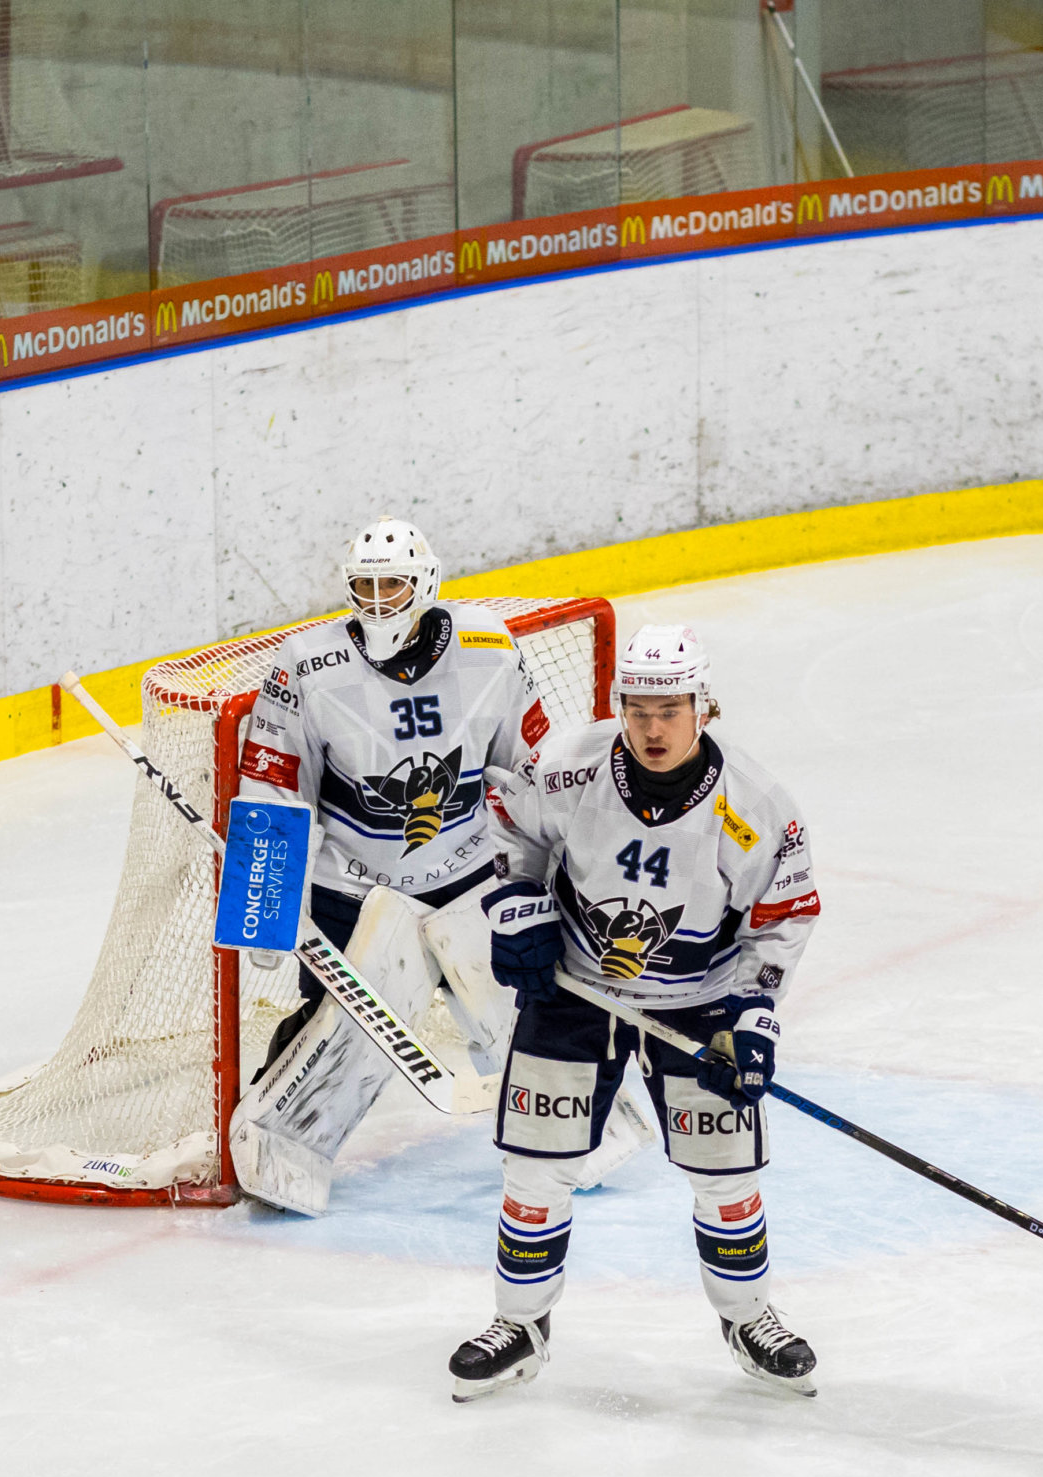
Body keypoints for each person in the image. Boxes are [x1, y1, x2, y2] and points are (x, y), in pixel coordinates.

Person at [450, 624, 823, 1399]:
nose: (653, 728)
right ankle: (519, 1325)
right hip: (574, 991)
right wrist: (518, 906)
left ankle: (748, 1317)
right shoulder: (571, 768)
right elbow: (511, 827)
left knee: (725, 1176)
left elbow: (782, 917)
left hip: (699, 1005)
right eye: (639, 710)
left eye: (671, 710)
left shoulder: (755, 807)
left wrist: (754, 1016)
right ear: (620, 705)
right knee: (536, 1170)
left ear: (703, 706)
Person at [225, 519, 554, 1215]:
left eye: (392, 585)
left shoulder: (490, 649)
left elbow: (532, 771)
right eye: (363, 586)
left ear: (425, 583)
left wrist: (545, 879)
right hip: (353, 888)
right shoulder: (307, 664)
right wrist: (267, 906)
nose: (377, 601)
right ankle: (278, 1148)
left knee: (520, 1009)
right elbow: (273, 784)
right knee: (335, 1035)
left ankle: (566, 1135)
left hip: (470, 877)